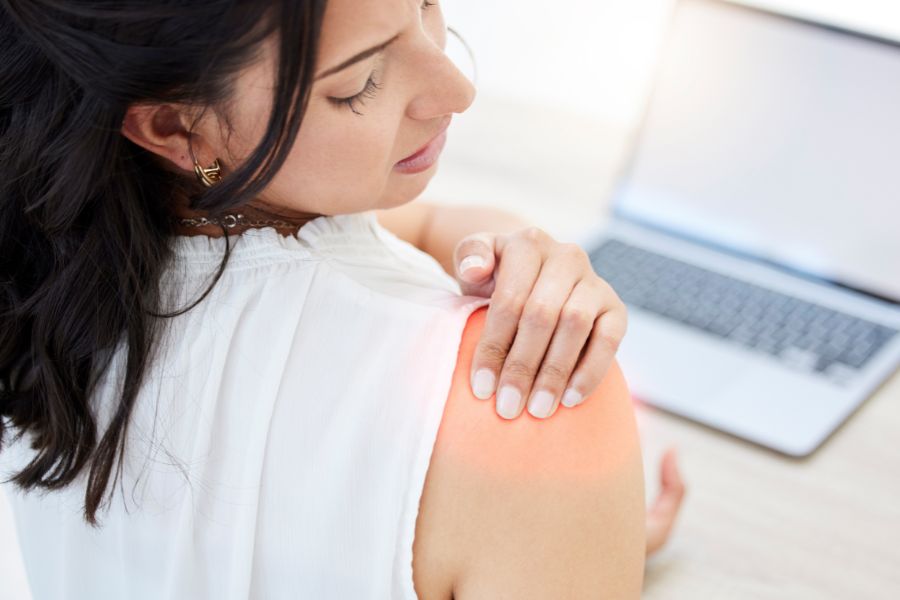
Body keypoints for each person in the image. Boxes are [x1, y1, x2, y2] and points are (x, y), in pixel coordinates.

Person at [0, 0, 684, 598]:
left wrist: (505, 240)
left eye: (424, 3)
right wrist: (567, 541)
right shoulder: (525, 390)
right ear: (176, 128)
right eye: (360, 84)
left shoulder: (48, 292)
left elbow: (398, 228)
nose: (455, 89)